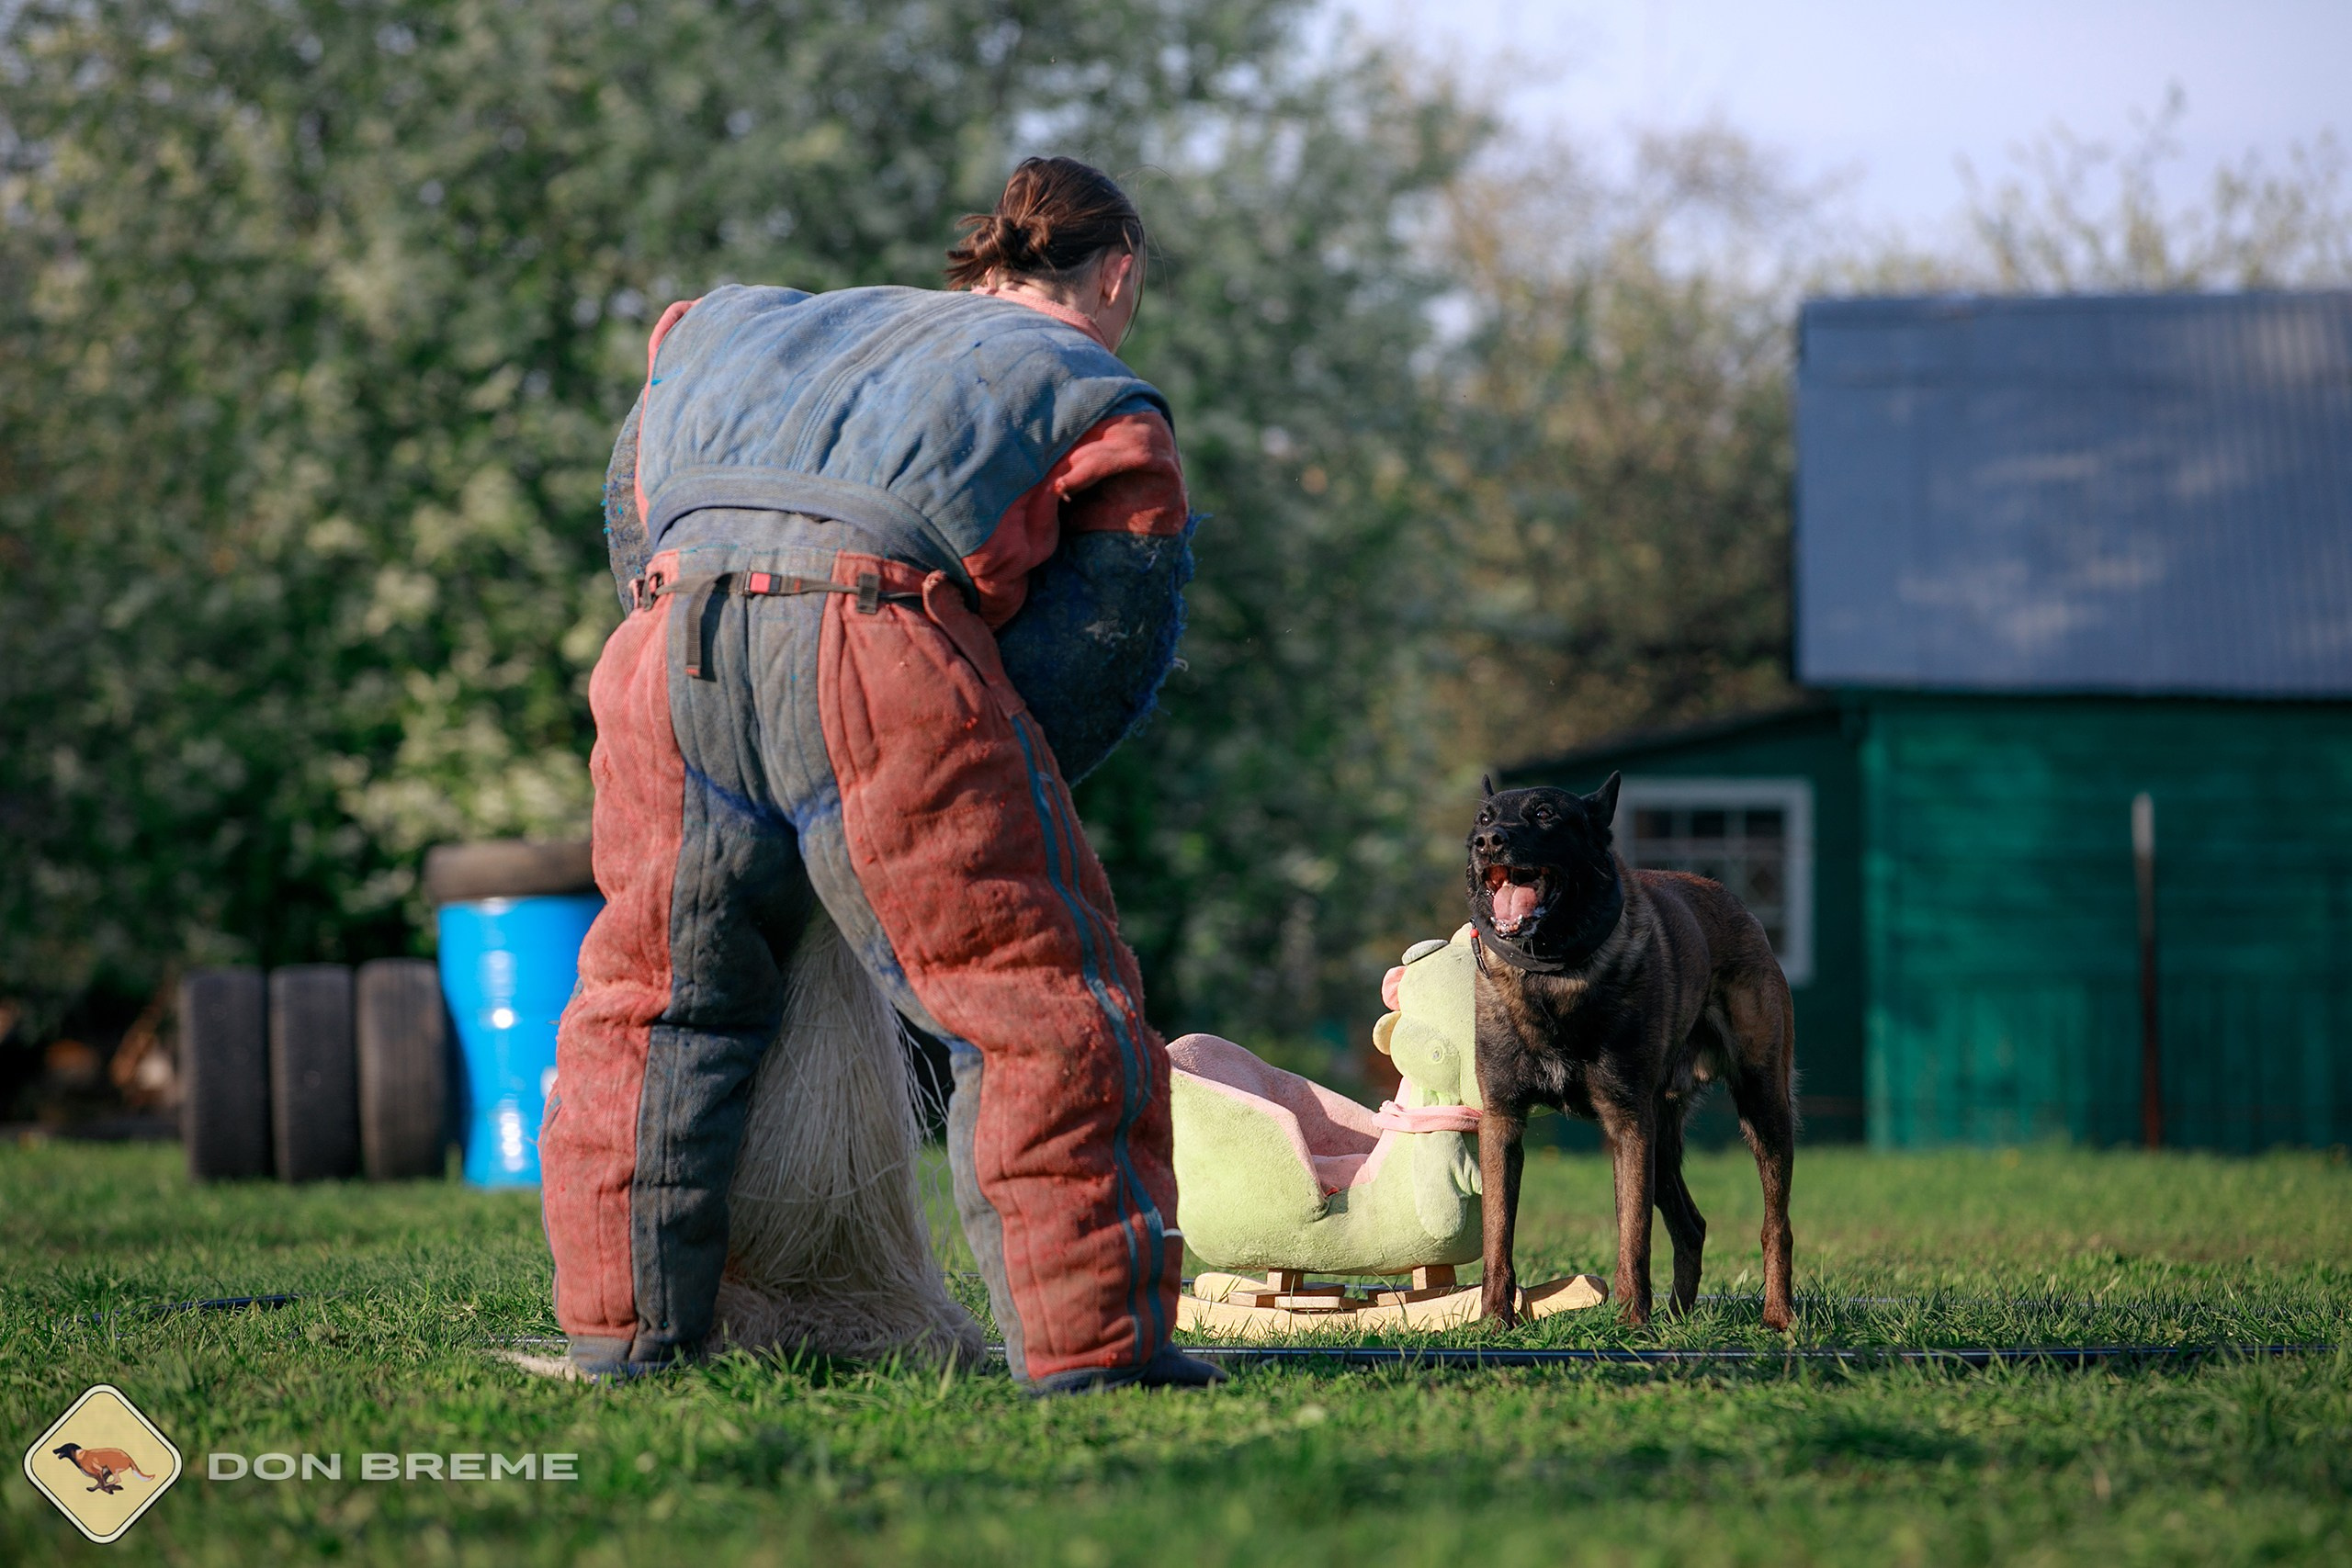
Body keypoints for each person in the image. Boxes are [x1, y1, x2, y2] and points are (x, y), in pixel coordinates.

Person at [541, 157, 1222, 1393]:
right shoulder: (1092, 389)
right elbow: (1108, 637)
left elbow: (635, 495)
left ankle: (621, 1336)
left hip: (660, 651)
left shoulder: (757, 325)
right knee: (1033, 1006)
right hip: (880, 651)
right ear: (1116, 274)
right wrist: (991, 775)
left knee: (651, 1004)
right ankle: (1091, 1351)